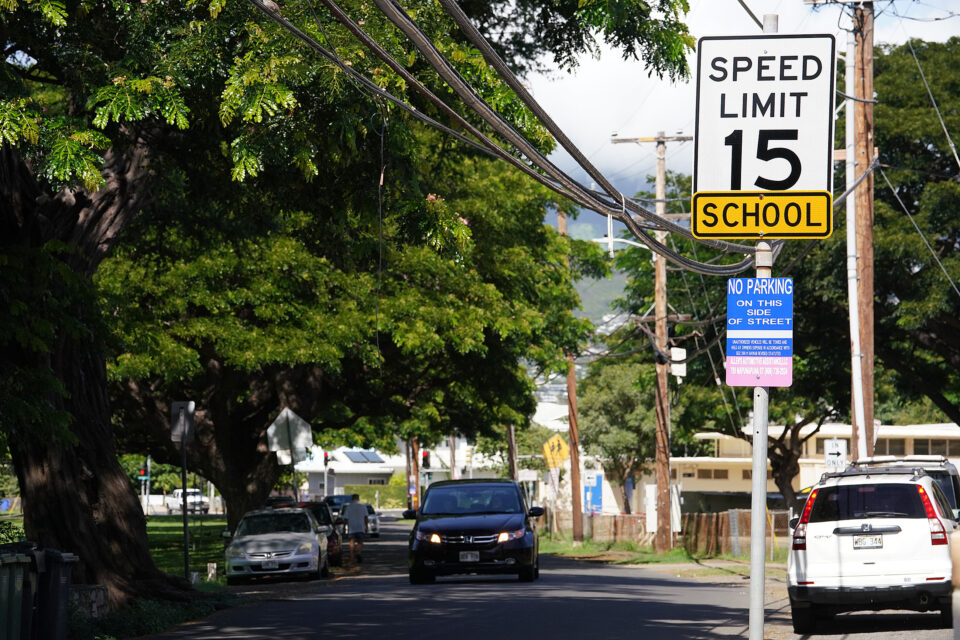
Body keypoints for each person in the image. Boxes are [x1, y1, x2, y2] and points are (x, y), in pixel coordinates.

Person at [342, 494, 368, 564]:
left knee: (351, 542)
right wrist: (366, 527)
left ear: (352, 499)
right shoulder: (363, 506)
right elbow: (366, 517)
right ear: (358, 498)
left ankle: (352, 558)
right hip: (360, 527)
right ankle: (358, 552)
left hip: (352, 527)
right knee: (360, 542)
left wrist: (344, 527)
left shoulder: (349, 507)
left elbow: (345, 518)